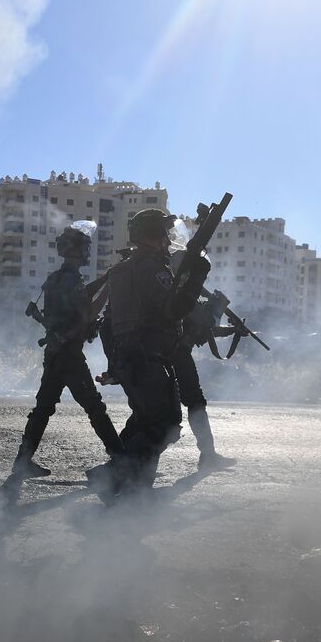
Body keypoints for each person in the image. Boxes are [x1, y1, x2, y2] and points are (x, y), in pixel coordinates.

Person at [93, 208, 210, 496]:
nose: (169, 240)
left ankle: (133, 490)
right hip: (149, 358)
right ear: (155, 234)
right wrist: (196, 279)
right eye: (164, 233)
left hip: (130, 357)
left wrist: (116, 364)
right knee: (165, 423)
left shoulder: (120, 271)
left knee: (145, 420)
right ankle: (111, 476)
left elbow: (107, 324)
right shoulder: (153, 269)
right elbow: (173, 310)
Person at [8, 224, 122, 481]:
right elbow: (89, 313)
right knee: (95, 408)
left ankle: (22, 462)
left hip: (55, 353)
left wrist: (106, 277)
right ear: (76, 250)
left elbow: (81, 295)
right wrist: (110, 286)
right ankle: (121, 458)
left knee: (42, 409)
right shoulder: (71, 280)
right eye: (85, 248)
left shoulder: (59, 278)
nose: (87, 252)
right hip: (70, 355)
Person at [171, 289, 236, 469]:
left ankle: (128, 459)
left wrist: (232, 330)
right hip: (176, 354)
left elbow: (205, 330)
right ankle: (208, 456)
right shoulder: (183, 296)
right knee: (194, 403)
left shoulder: (183, 295)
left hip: (170, 353)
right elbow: (206, 325)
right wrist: (217, 309)